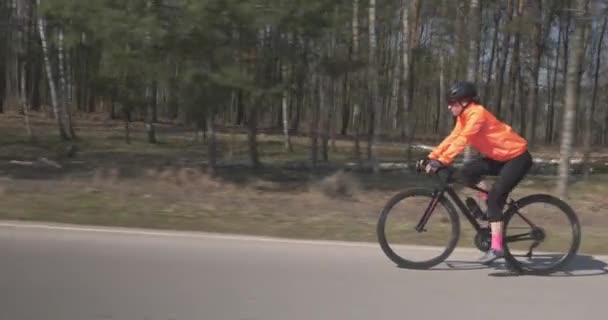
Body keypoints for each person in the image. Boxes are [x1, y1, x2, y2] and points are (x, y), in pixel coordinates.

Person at [418, 80, 533, 264]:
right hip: (500, 157)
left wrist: (442, 161)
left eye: (453, 103)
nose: (449, 107)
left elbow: (463, 140)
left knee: (496, 197)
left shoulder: (477, 114)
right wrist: (433, 156)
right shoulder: (463, 117)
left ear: (465, 102)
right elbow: (453, 137)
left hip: (517, 158)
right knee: (466, 173)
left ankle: (497, 247)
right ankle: (488, 212)